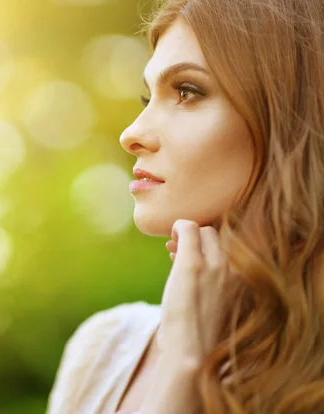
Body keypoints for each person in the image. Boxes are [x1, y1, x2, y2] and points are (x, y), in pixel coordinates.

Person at [47, 0, 324, 413]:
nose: (131, 134)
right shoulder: (103, 350)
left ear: (286, 116)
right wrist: (180, 367)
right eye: (147, 98)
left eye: (187, 91)